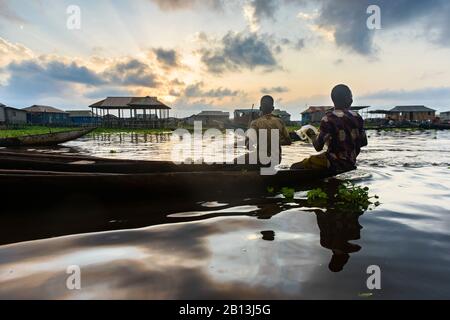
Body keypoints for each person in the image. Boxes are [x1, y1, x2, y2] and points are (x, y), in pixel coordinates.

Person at [292, 85, 368, 173]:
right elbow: (364, 142)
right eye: (351, 97)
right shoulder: (357, 117)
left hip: (332, 163)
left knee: (294, 166)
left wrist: (312, 135)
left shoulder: (329, 118)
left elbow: (318, 147)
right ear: (350, 100)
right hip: (350, 163)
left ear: (333, 100)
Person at [236, 95, 291, 166]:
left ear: (260, 108)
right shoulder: (280, 122)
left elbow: (249, 146)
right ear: (273, 108)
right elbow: (288, 141)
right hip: (277, 159)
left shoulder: (255, 123)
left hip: (261, 158)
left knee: (235, 161)